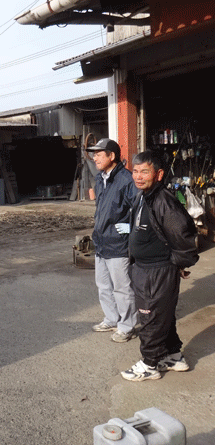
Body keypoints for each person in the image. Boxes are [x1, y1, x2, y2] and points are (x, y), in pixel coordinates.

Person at [121, 151, 199, 381]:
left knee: (150, 318)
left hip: (156, 271)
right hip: (145, 268)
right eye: (135, 171)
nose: (138, 176)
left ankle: (150, 364)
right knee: (163, 315)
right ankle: (173, 356)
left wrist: (181, 263)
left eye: (145, 171)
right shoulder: (144, 196)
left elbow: (184, 234)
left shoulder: (163, 200)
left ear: (159, 174)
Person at [87, 138, 138, 342]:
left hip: (118, 243)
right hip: (101, 241)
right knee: (103, 285)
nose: (95, 157)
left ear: (112, 156)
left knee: (122, 288)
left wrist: (129, 229)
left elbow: (139, 209)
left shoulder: (126, 180)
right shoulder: (100, 179)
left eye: (99, 154)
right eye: (94, 154)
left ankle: (127, 326)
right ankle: (111, 318)